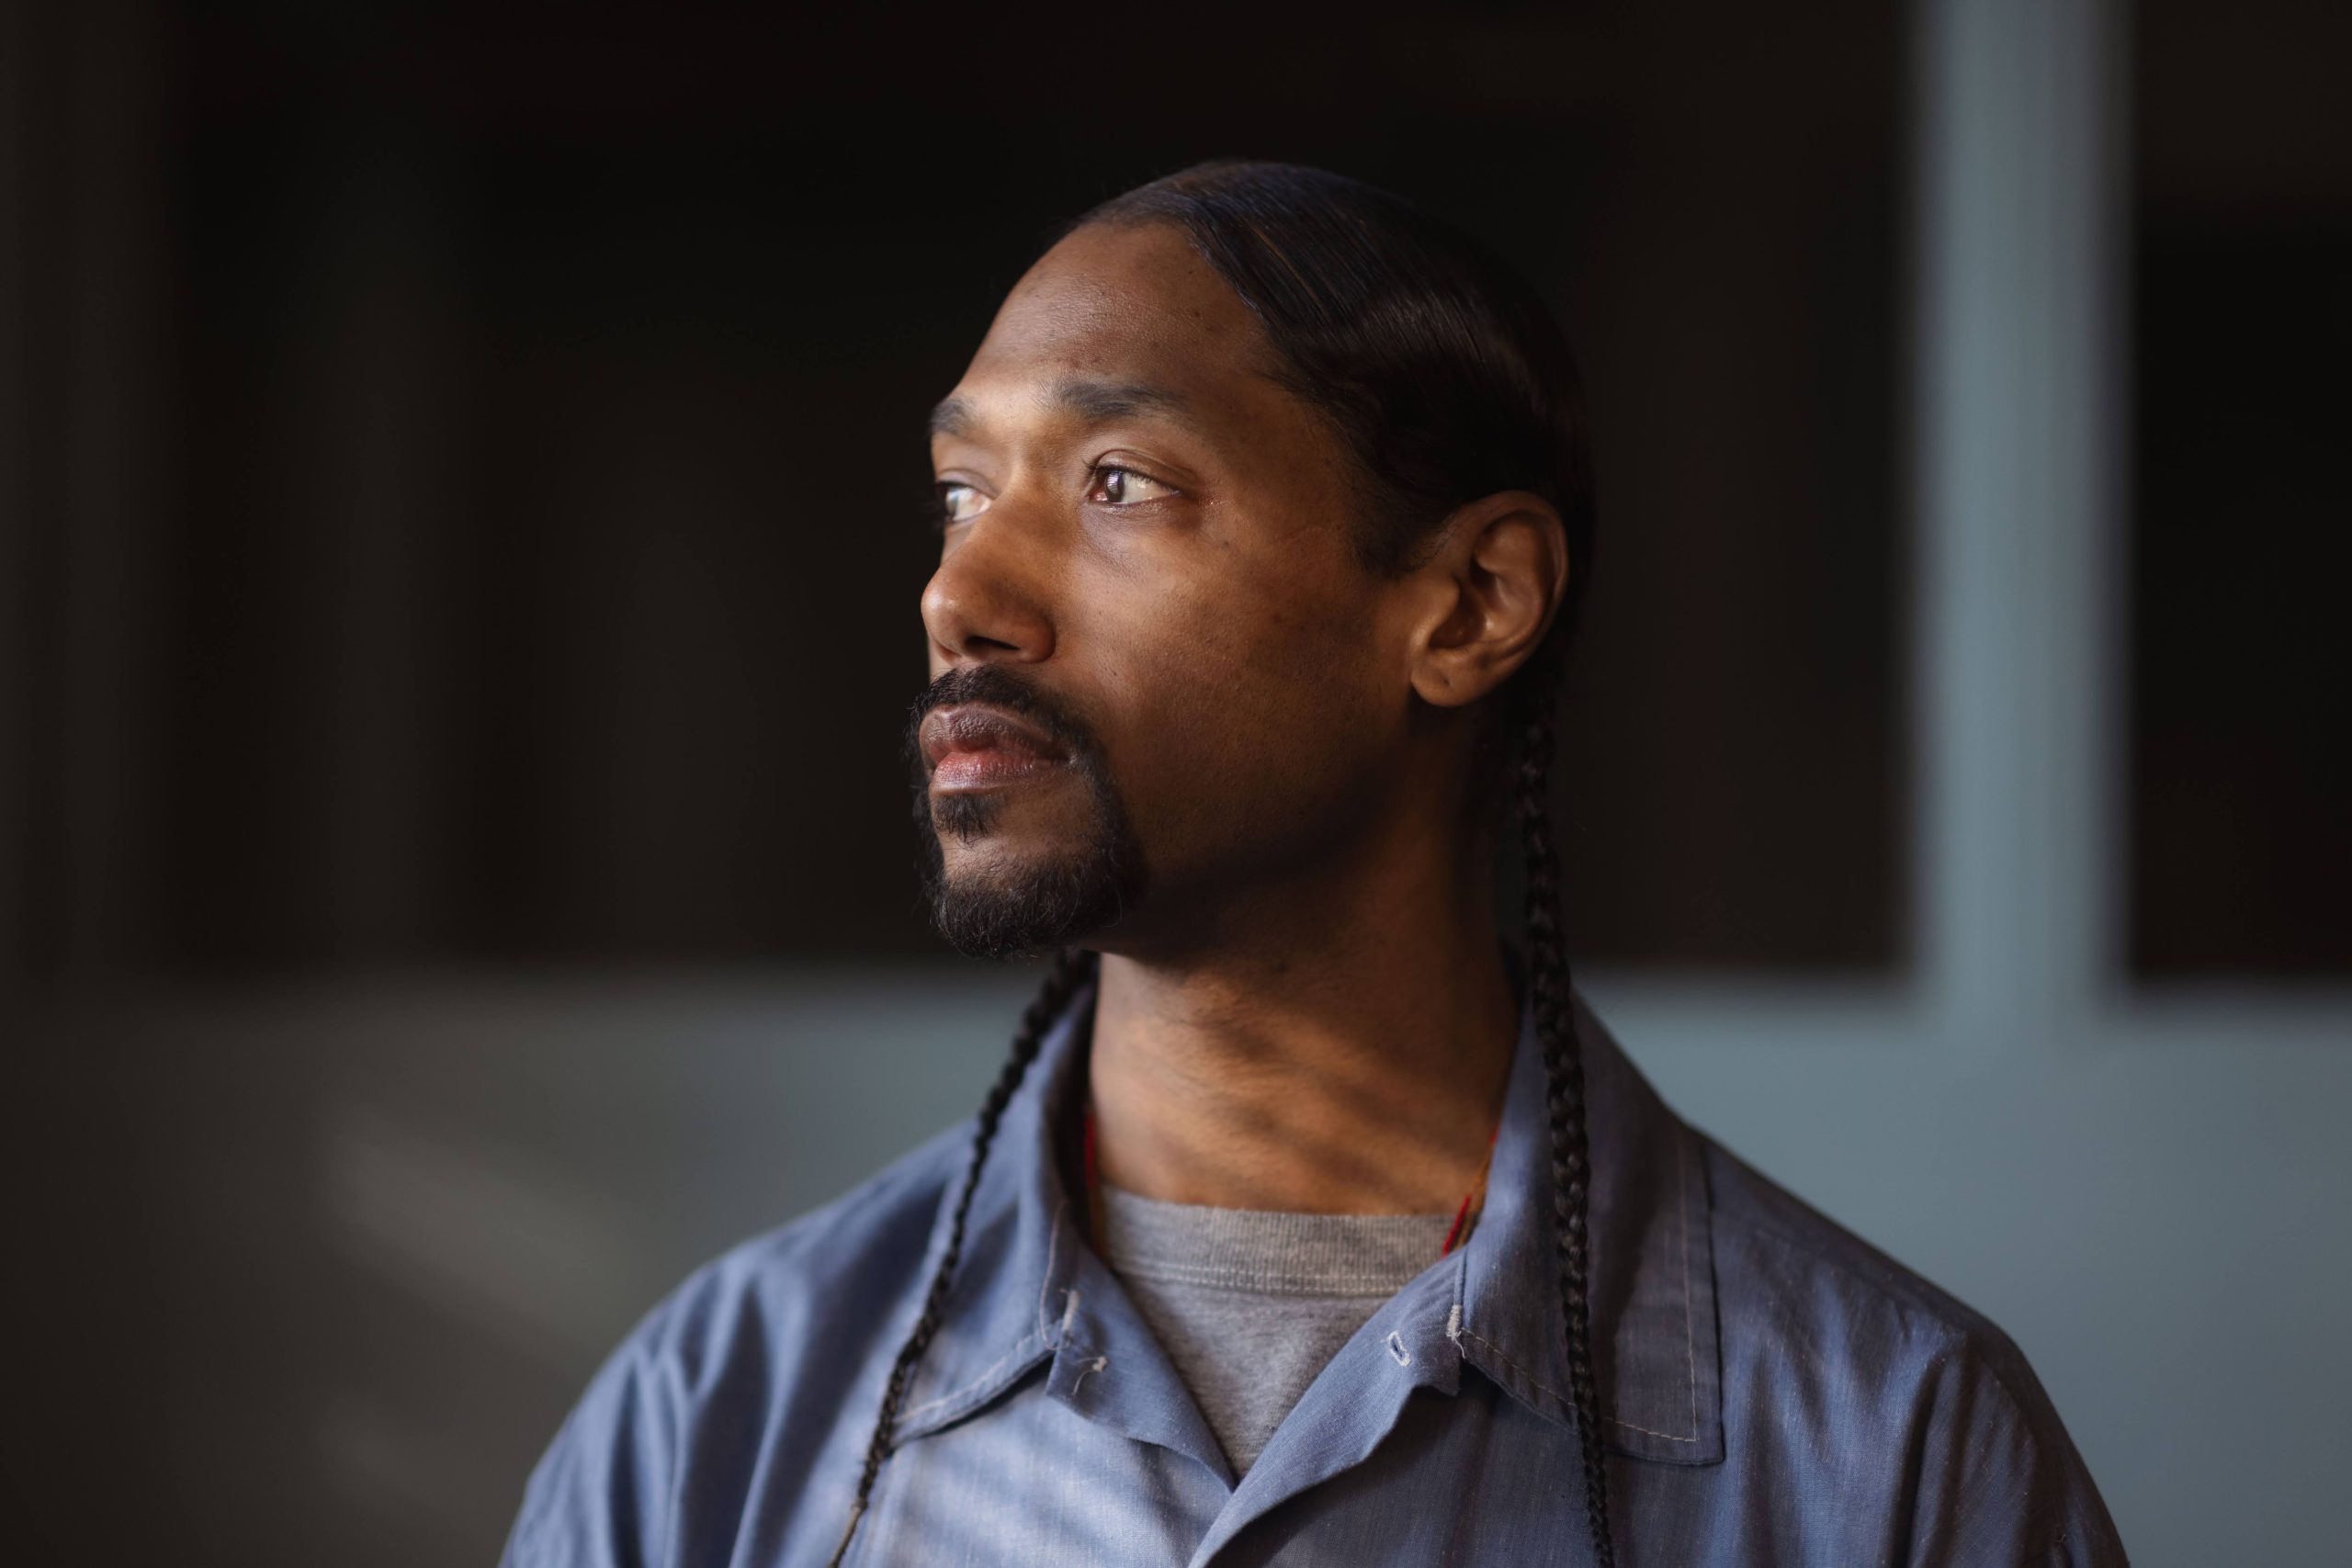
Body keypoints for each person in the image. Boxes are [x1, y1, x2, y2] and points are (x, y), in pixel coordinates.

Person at [500, 159, 2127, 1567]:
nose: (959, 596)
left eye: (1116, 483)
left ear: (1472, 604)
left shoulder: (1892, 1462)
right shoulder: (719, 1421)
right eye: (958, 492)